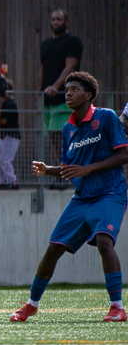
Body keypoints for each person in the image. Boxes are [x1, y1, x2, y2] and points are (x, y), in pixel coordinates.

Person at [13, 72, 128, 323]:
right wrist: (48, 170)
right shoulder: (68, 128)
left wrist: (89, 168)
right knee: (54, 249)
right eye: (67, 89)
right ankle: (31, 304)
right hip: (82, 197)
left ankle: (117, 307)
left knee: (103, 241)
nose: (68, 93)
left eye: (74, 89)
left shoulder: (106, 117)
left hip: (110, 193)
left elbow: (123, 156)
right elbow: (68, 169)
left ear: (88, 95)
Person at [39, 10, 83, 189]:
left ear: (66, 21)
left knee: (63, 138)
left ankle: (68, 175)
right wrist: (38, 95)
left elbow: (71, 65)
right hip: (48, 100)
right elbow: (42, 69)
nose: (56, 22)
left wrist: (57, 86)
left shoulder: (72, 42)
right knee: (53, 138)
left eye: (59, 19)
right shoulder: (46, 44)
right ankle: (60, 175)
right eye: (53, 19)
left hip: (65, 98)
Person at [0, 81, 21, 189]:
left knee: (4, 160)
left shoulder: (9, 103)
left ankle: (12, 181)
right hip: (5, 136)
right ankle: (2, 181)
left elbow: (4, 120)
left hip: (11, 136)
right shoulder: (6, 103)